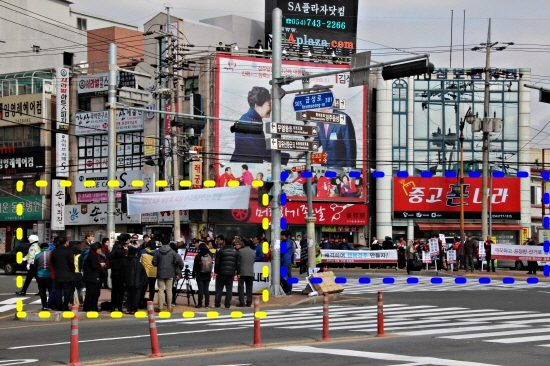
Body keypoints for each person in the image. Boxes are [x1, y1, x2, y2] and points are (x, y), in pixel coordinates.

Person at [230, 86, 289, 164]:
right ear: (257, 106)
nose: (271, 108)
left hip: (243, 164)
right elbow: (265, 154)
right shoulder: (251, 125)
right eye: (269, 105)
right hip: (246, 166)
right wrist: (290, 156)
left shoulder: (247, 117)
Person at [153, 237, 183, 312]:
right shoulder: (172, 252)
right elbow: (177, 262)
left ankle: (160, 307)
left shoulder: (158, 251)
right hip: (170, 273)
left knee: (160, 290)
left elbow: (154, 262)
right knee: (169, 290)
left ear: (161, 242)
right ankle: (169, 307)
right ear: (169, 243)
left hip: (160, 272)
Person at [50, 237, 75, 311]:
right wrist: (72, 271)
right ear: (65, 242)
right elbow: (71, 263)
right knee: (68, 291)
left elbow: (52, 263)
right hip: (67, 274)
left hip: (58, 274)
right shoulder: (69, 251)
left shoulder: (55, 251)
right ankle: (65, 306)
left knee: (58, 291)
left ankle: (59, 306)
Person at [214, 235, 238, 309]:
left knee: (219, 289)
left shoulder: (221, 251)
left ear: (224, 242)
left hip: (221, 272)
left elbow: (217, 262)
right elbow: (237, 263)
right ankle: (227, 304)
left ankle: (217, 304)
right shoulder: (235, 252)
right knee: (229, 289)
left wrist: (215, 271)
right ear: (232, 242)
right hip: (231, 273)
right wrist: (237, 272)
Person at [124, 246, 148, 314]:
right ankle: (134, 308)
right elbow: (141, 273)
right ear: (135, 253)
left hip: (128, 281)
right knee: (136, 295)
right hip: (136, 282)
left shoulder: (126, 261)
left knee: (129, 295)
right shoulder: (137, 262)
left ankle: (129, 308)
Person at [83, 243, 105, 312]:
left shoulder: (93, 255)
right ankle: (91, 307)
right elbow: (94, 266)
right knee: (93, 293)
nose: (100, 250)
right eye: (99, 249)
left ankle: (90, 306)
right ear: (96, 249)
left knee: (92, 293)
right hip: (93, 278)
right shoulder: (93, 256)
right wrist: (100, 265)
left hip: (91, 277)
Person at [109, 234, 129, 312]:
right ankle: (119, 307)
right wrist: (126, 251)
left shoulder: (113, 250)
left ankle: (113, 307)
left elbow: (111, 259)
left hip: (115, 273)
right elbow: (126, 261)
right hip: (122, 273)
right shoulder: (123, 252)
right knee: (121, 291)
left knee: (114, 291)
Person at [192, 242, 214, 309]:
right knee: (206, 289)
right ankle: (207, 304)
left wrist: (193, 274)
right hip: (207, 274)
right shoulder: (210, 254)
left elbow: (195, 266)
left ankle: (200, 304)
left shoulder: (198, 255)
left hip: (200, 274)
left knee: (200, 290)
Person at [236, 239, 255, 307]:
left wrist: (238, 272)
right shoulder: (253, 252)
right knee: (249, 288)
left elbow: (238, 262)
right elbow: (253, 261)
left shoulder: (240, 251)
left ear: (244, 244)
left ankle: (242, 302)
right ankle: (249, 302)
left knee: (241, 287)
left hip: (242, 271)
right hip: (250, 271)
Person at [34, 243, 52, 310]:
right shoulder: (51, 254)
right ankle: (50, 304)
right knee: (51, 291)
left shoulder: (37, 255)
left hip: (40, 275)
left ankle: (44, 305)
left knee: (42, 291)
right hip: (50, 275)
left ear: (41, 248)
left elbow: (35, 265)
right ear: (48, 247)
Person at [140, 240, 158, 306]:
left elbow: (139, 261)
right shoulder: (157, 253)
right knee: (152, 287)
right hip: (154, 272)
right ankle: (151, 301)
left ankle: (141, 301)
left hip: (144, 273)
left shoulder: (142, 251)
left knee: (143, 288)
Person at [280, 230, 294, 295]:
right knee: (282, 276)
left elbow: (282, 251)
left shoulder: (288, 242)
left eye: (281, 235)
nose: (280, 236)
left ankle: (288, 290)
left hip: (286, 261)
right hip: (283, 261)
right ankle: (285, 289)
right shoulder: (283, 242)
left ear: (284, 236)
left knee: (286, 276)